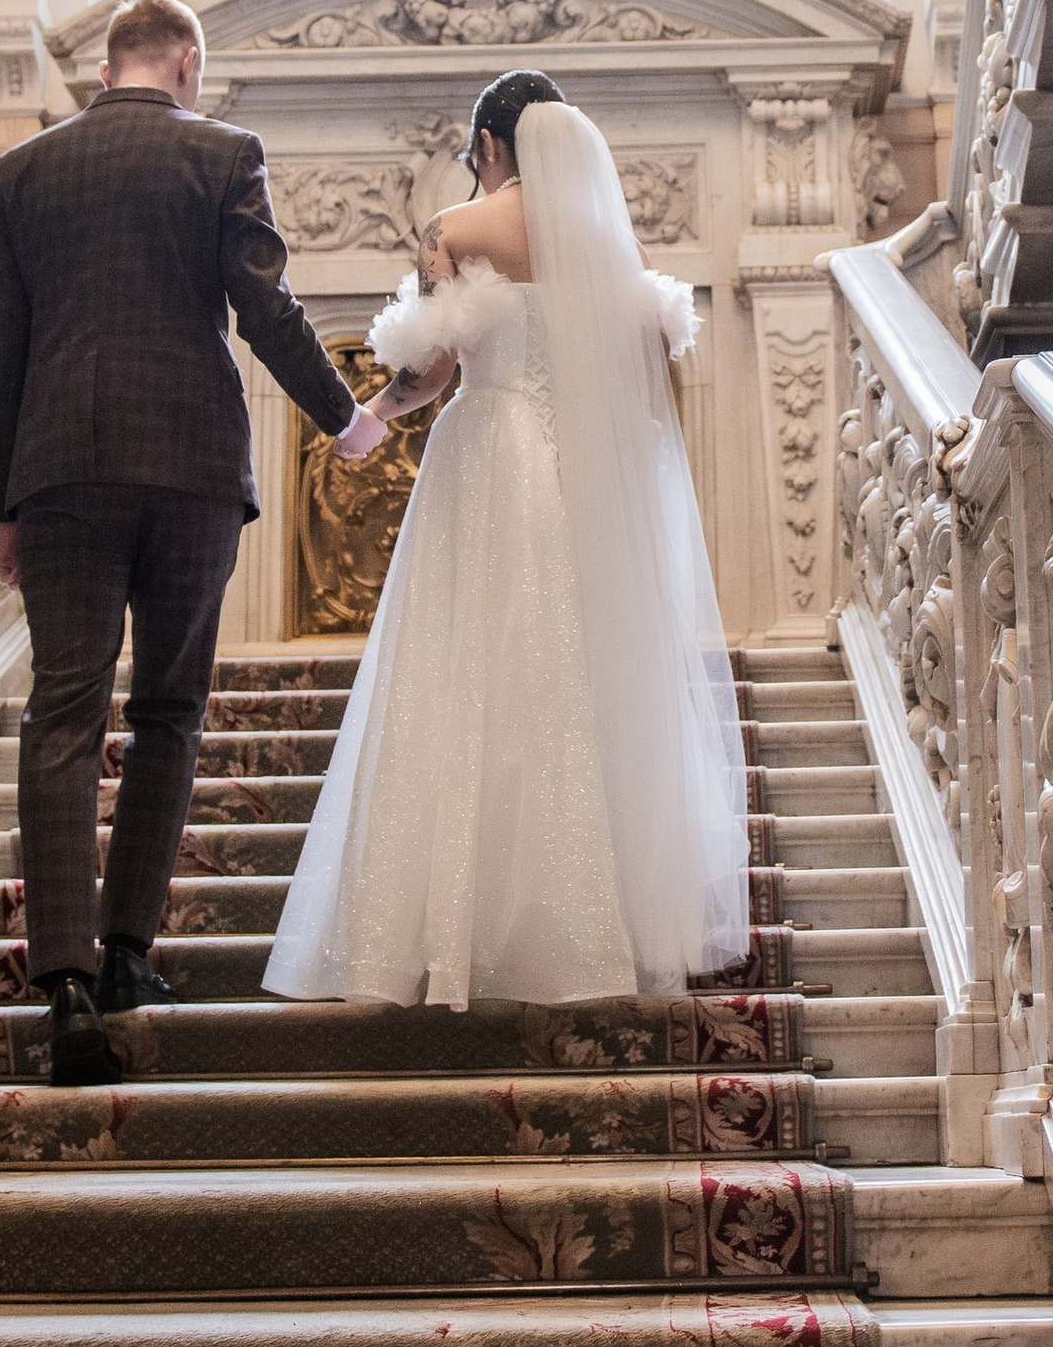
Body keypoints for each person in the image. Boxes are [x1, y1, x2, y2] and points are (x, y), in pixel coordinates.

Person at [264, 69, 750, 1011]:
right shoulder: (609, 241)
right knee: (581, 671)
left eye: (472, 155)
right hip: (583, 475)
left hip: (491, 457)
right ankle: (598, 925)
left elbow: (431, 367)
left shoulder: (455, 230)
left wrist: (367, 418)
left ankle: (454, 927)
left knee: (467, 667)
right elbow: (644, 360)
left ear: (488, 144)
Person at [0, 0, 387, 1083]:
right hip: (191, 468)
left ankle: (63, 983)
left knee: (63, 711)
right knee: (169, 711)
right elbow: (265, 309)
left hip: (61, 468)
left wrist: (5, 501)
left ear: (106, 67)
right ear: (188, 66)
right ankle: (127, 956)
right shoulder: (222, 153)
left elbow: (3, 345)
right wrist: (343, 419)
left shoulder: (20, 172)